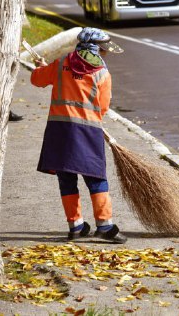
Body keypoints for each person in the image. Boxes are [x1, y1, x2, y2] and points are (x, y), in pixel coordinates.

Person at [30, 27, 126, 243]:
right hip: (88, 130)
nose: (105, 53)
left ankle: (75, 226)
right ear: (96, 48)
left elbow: (36, 80)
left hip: (59, 129)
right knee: (96, 178)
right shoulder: (102, 72)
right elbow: (102, 107)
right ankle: (104, 225)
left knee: (66, 177)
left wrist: (41, 69)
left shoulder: (62, 62)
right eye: (103, 49)